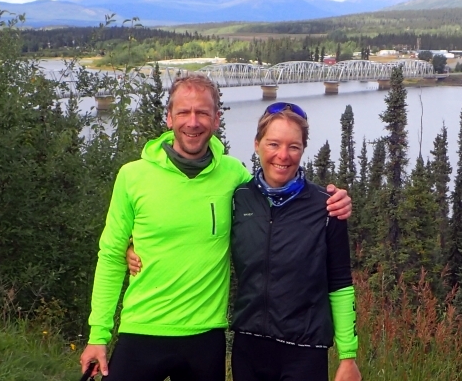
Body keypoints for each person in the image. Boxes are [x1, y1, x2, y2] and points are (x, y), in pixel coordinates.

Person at [80, 75, 351, 381]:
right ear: (169, 117)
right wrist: (98, 335)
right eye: (183, 112)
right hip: (141, 329)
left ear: (216, 119)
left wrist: (334, 201)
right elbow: (111, 255)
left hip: (206, 337)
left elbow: (275, 198)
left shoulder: (233, 177)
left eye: (203, 113)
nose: (192, 122)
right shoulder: (132, 177)